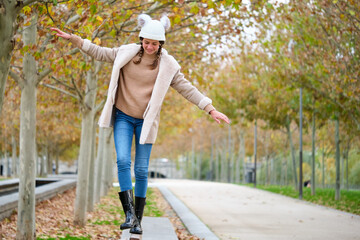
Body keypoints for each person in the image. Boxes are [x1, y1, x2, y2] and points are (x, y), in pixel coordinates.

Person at [50, 13, 229, 235]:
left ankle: (138, 220)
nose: (150, 47)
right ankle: (129, 214)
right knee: (123, 161)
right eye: (146, 42)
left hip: (147, 121)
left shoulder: (168, 65)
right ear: (141, 39)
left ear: (161, 44)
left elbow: (186, 88)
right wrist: (75, 39)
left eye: (154, 44)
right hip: (124, 116)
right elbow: (99, 52)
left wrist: (210, 108)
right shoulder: (126, 53)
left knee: (142, 170)